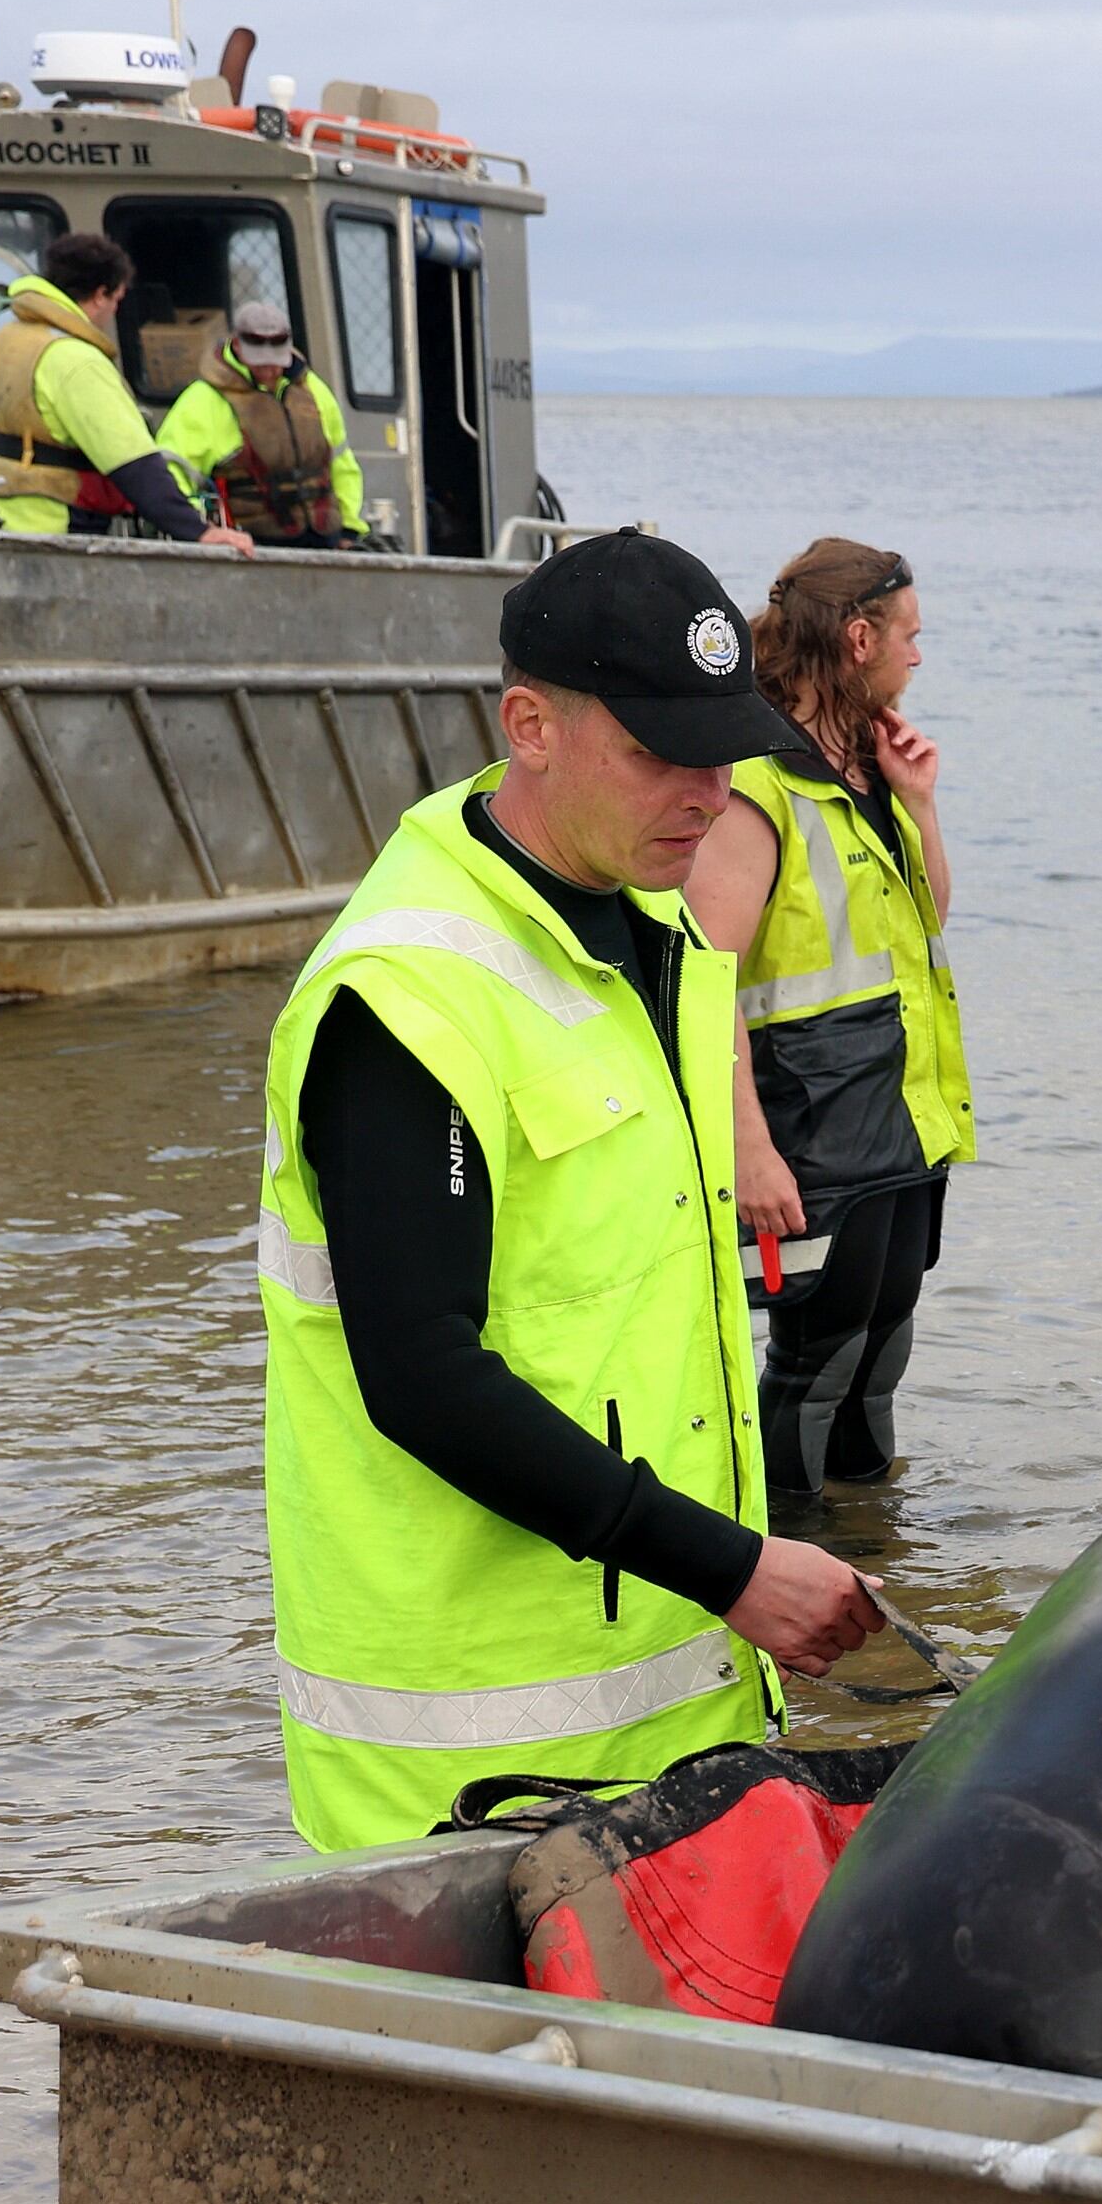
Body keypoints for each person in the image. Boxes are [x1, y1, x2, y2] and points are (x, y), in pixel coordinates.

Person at [254, 527, 882, 1849]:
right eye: (658, 753)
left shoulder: (654, 930)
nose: (708, 794)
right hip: (466, 1755)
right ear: (528, 724)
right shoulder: (409, 995)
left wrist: (731, 1595)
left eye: (722, 751)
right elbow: (421, 1374)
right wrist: (735, 1569)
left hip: (683, 1700)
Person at [689, 538, 971, 1529]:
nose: (917, 658)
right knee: (815, 1359)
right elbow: (705, 973)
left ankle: (884, 1564)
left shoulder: (867, 765)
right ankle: (795, 1576)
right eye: (909, 637)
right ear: (859, 638)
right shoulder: (759, 783)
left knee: (880, 1350)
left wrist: (919, 804)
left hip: (898, 1116)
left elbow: (927, 915)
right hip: (808, 1131)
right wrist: (748, 1148)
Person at [0, 229, 247, 548]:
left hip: (5, 515)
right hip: (56, 528)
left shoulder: (12, 339)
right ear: (100, 294)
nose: (114, 311)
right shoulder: (75, 360)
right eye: (117, 300)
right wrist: (199, 531)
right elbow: (133, 463)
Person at [155, 295, 368, 546]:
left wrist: (349, 527)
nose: (269, 370)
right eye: (259, 361)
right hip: (248, 545)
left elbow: (341, 462)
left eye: (276, 361)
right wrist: (197, 527)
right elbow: (171, 467)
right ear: (236, 346)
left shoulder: (313, 390)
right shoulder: (204, 400)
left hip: (325, 540)